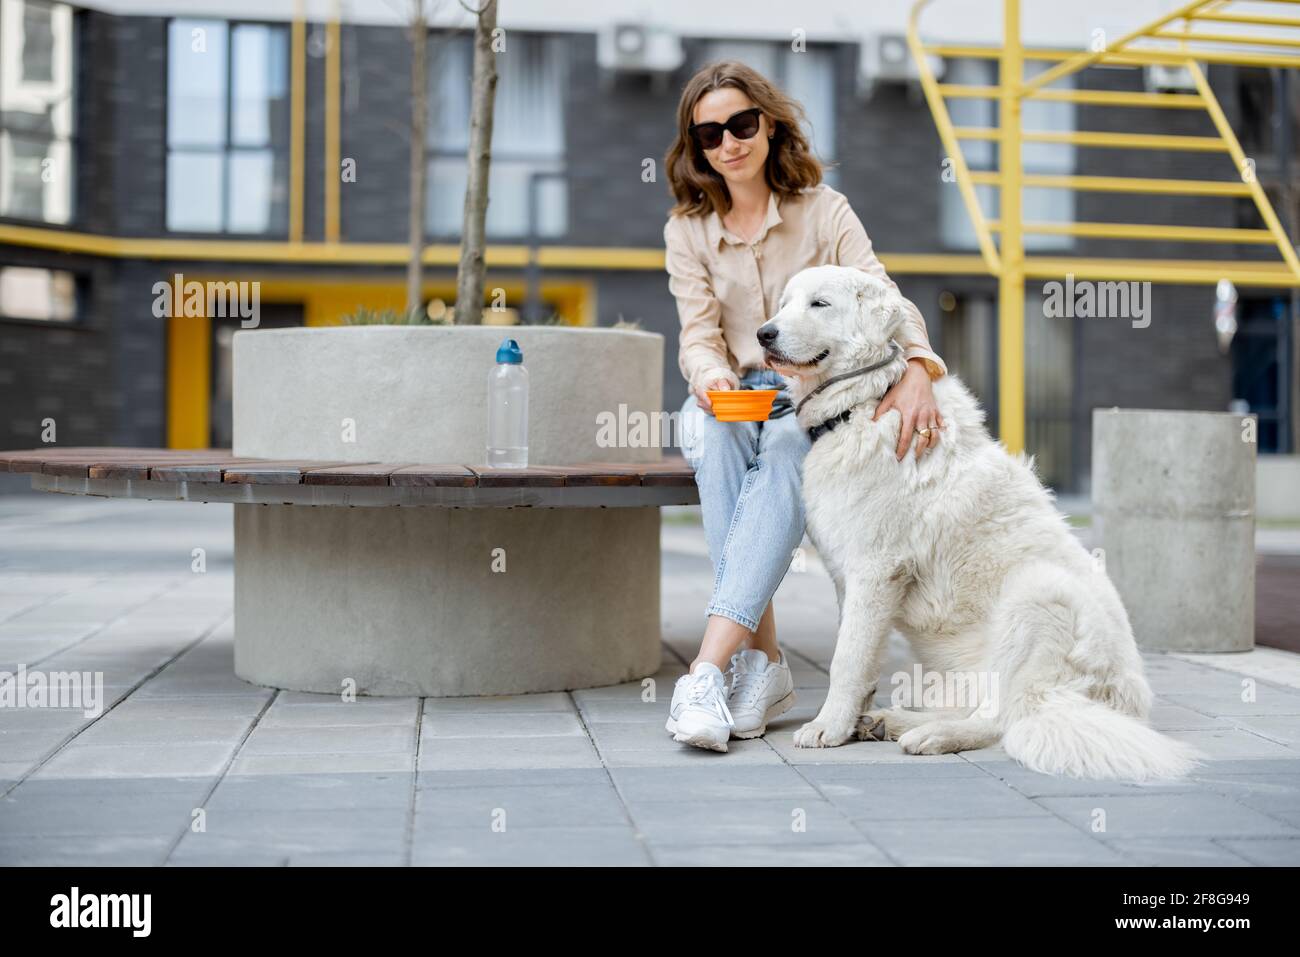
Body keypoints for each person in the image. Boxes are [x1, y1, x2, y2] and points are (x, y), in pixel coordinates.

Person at [661, 60, 948, 752]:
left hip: (807, 399)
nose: (728, 142)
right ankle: (759, 662)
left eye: (741, 123)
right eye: (709, 134)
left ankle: (712, 669)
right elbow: (698, 337)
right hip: (728, 396)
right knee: (714, 437)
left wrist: (918, 365)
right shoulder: (688, 229)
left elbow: (882, 292)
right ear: (696, 148)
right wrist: (711, 379)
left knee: (790, 449)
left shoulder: (825, 209)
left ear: (768, 122)